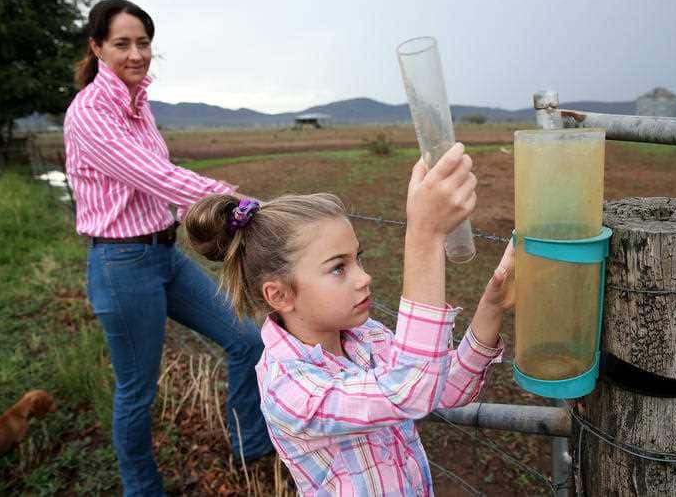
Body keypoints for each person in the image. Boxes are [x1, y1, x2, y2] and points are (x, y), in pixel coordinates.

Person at [185, 143, 514, 496]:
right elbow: (411, 391)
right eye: (339, 267)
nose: (364, 277)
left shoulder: (365, 336)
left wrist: (491, 306)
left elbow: (444, 389)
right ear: (279, 295)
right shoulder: (289, 388)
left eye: (358, 259)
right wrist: (424, 237)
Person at [63, 0, 273, 496]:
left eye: (143, 43)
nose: (136, 54)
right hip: (122, 264)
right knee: (138, 391)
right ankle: (143, 489)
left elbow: (157, 187)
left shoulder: (139, 105)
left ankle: (250, 445)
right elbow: (156, 176)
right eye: (122, 44)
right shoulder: (91, 112)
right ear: (97, 48)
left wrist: (210, 223)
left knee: (248, 339)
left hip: (163, 255)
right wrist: (232, 202)